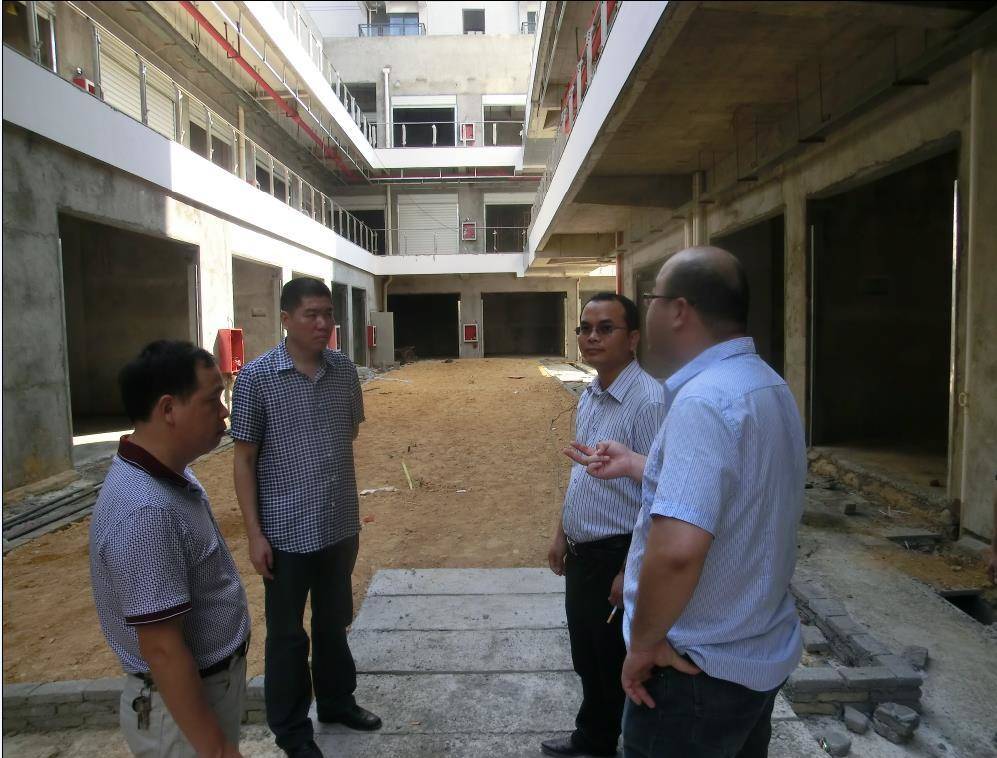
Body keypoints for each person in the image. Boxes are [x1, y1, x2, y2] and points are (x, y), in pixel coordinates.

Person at [567, 247, 807, 758]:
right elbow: (738, 491)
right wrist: (639, 463)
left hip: (694, 670)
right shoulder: (766, 384)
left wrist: (644, 644)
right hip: (756, 653)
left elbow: (677, 552)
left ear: (678, 310)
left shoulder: (702, 401)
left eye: (651, 299)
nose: (648, 310)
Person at [231, 277, 380, 758]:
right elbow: (244, 459)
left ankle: (337, 702)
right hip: (284, 533)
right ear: (286, 319)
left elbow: (347, 433)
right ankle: (293, 731)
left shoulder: (344, 372)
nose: (323, 323)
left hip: (338, 524)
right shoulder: (257, 378)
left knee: (333, 622)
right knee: (287, 636)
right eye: (311, 314)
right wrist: (255, 534)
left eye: (328, 314)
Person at [89, 340, 250, 758]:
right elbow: (162, 648)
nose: (224, 412)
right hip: (181, 715)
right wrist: (216, 749)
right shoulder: (145, 511)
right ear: (168, 409)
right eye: (212, 400)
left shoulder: (170, 474)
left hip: (200, 696)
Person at [542, 293, 666, 758]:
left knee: (617, 662)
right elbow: (582, 471)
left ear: (632, 338)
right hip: (583, 553)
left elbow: (660, 494)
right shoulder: (591, 394)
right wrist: (562, 533)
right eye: (585, 328)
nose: (591, 337)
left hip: (618, 554)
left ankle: (628, 744)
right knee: (587, 656)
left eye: (605, 328)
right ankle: (593, 739)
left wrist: (629, 570)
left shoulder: (649, 402)